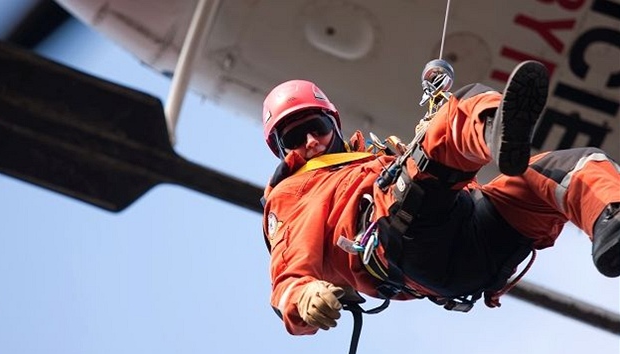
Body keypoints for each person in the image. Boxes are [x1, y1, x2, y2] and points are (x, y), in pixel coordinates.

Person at [260, 61, 620, 336]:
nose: (310, 142)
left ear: (333, 124)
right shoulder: (293, 193)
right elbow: (287, 274)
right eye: (293, 138)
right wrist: (302, 298)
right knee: (458, 111)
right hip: (400, 239)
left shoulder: (375, 158)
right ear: (281, 151)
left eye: (316, 128)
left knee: (572, 167)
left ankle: (612, 221)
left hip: (471, 235)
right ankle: (495, 132)